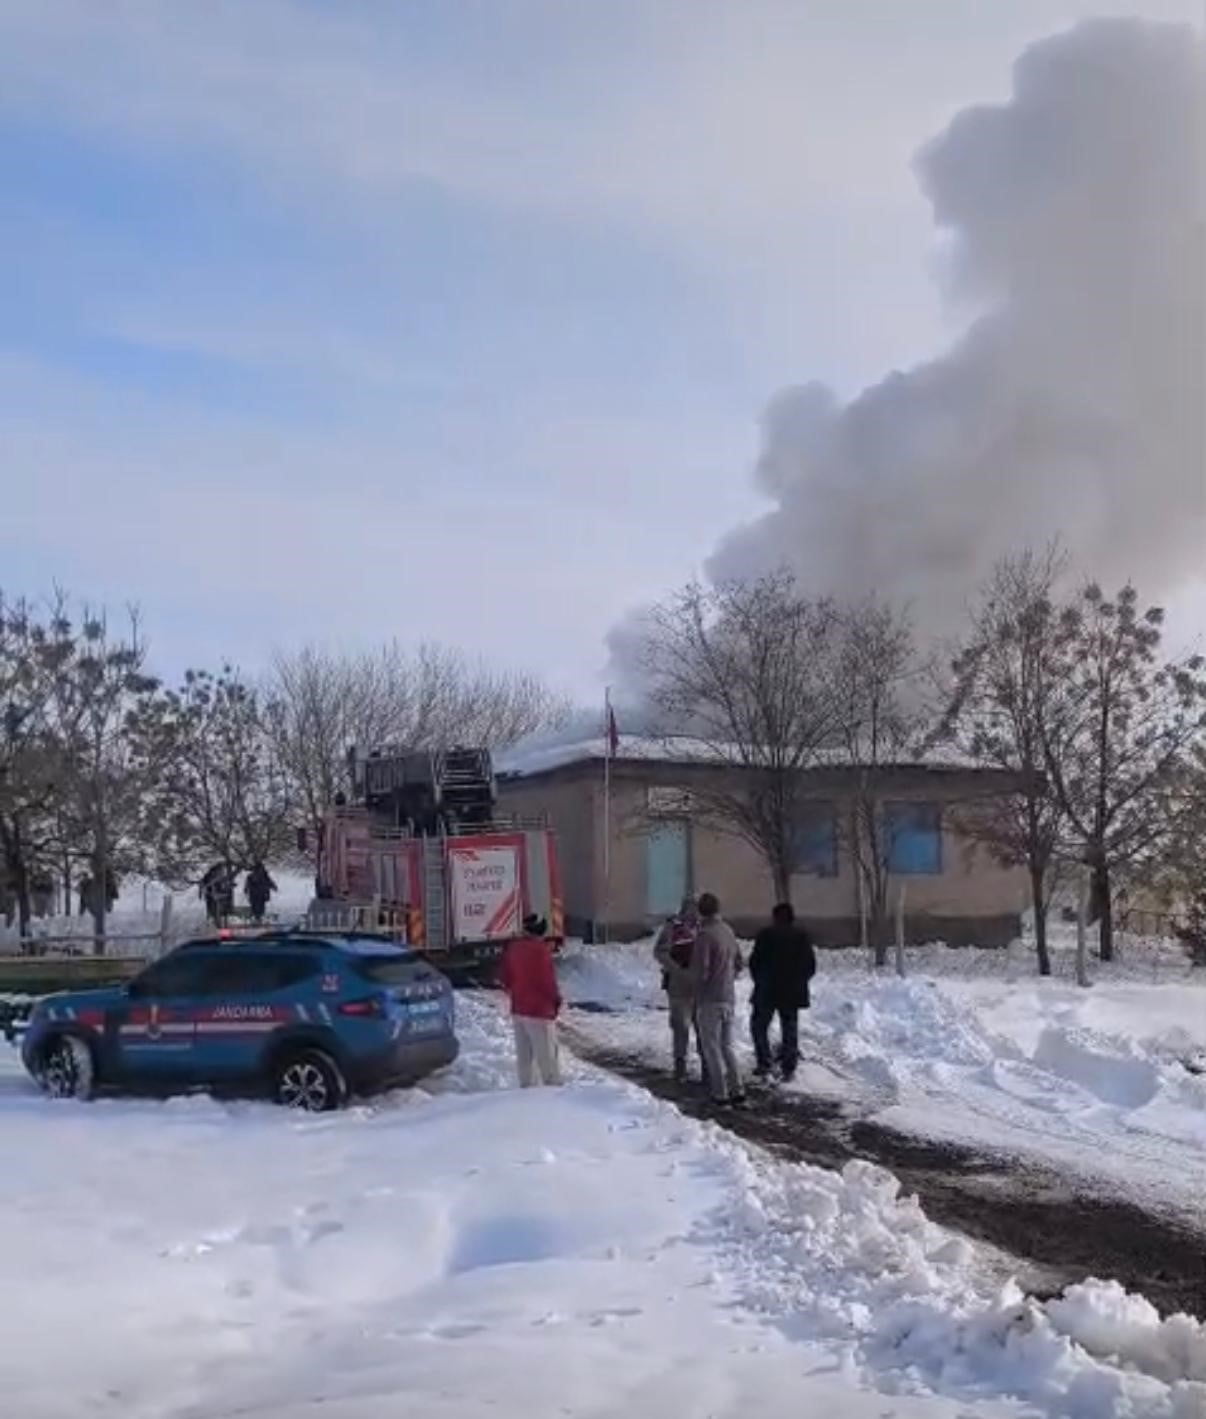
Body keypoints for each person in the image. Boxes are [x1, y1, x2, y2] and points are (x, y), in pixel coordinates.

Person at [749, 902, 817, 1082]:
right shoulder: (801, 936)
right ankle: (789, 1064)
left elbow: (755, 962)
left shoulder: (765, 936)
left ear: (775, 917)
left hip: (767, 991)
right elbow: (810, 966)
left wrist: (760, 981)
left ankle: (764, 1061)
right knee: (789, 1028)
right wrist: (799, 982)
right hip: (791, 993)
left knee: (759, 1026)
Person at [691, 892, 745, 1106]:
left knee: (711, 1047)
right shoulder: (727, 931)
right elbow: (739, 962)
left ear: (700, 912)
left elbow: (702, 970)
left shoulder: (705, 936)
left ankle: (719, 1092)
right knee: (727, 1046)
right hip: (728, 996)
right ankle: (737, 1088)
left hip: (709, 999)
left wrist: (695, 984)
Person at [498, 912, 563, 1087]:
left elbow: (505, 979)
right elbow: (547, 982)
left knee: (524, 1058)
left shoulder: (513, 949)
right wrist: (556, 1001)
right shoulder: (541, 951)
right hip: (539, 1011)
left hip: (519, 1009)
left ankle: (527, 1092)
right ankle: (554, 1093)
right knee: (547, 1057)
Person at [653, 895, 708, 1084]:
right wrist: (676, 970)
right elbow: (660, 951)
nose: (693, 914)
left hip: (701, 987)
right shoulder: (673, 928)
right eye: (690, 910)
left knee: (703, 1027)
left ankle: (707, 1065)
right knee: (680, 1027)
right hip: (678, 986)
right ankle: (680, 1065)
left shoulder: (704, 929)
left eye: (696, 910)